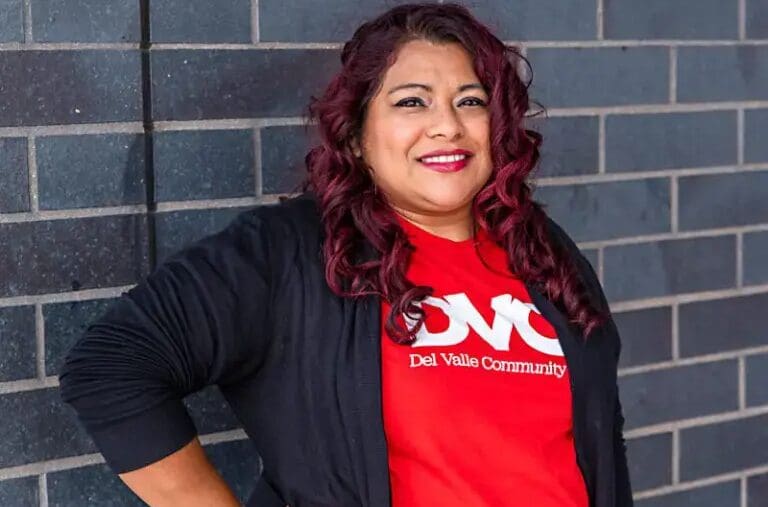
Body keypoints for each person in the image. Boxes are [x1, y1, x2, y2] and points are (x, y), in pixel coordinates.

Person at [59, 2, 632, 506]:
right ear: (357, 136)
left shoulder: (541, 250)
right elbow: (111, 366)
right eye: (413, 102)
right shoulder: (290, 253)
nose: (447, 127)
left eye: (471, 101)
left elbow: (598, 436)